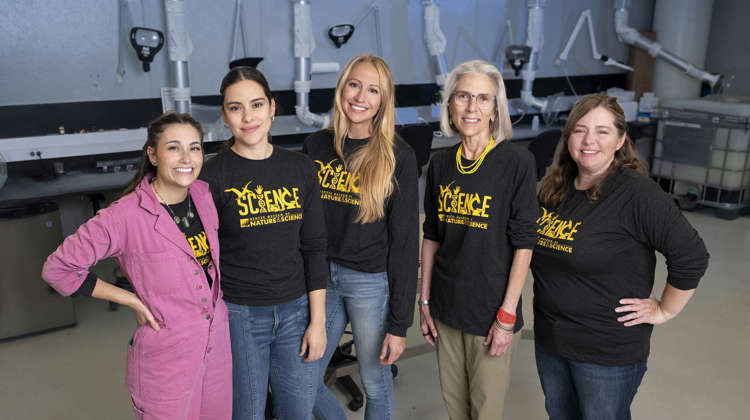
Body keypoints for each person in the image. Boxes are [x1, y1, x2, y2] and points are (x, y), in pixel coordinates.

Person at [531, 92, 710, 420]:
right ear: (568, 136)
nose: (589, 140)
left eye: (602, 131)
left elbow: (692, 255)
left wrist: (665, 310)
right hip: (551, 341)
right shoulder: (554, 188)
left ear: (620, 140)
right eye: (580, 130)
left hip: (605, 352)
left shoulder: (635, 193)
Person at [42, 112, 231, 419]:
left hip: (216, 342)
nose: (187, 157)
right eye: (174, 147)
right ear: (152, 154)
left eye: (194, 147)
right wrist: (127, 297)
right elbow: (57, 270)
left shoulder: (202, 194)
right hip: (169, 352)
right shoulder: (125, 215)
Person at [199, 66, 328, 420]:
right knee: (247, 414)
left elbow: (314, 248)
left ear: (273, 108)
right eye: (235, 108)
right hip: (240, 315)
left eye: (256, 105)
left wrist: (318, 323)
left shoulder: (301, 168)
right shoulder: (212, 176)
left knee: (297, 413)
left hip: (297, 312)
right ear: (225, 117)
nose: (248, 117)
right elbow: (197, 258)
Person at [420, 60, 538, 420]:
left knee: (484, 412)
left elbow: (524, 242)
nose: (472, 107)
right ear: (450, 105)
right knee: (456, 408)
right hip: (446, 306)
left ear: (495, 109)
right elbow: (432, 236)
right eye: (463, 97)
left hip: (491, 312)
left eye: (483, 99)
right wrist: (424, 300)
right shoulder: (440, 164)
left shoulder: (516, 163)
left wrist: (507, 314)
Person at [303, 53, 419, 420]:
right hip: (322, 279)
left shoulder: (398, 155)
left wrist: (399, 324)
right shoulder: (316, 147)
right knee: (303, 376)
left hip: (369, 280)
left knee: (374, 379)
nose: (361, 97)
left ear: (383, 101)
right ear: (342, 88)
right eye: (355, 85)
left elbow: (404, 244)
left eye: (373, 90)